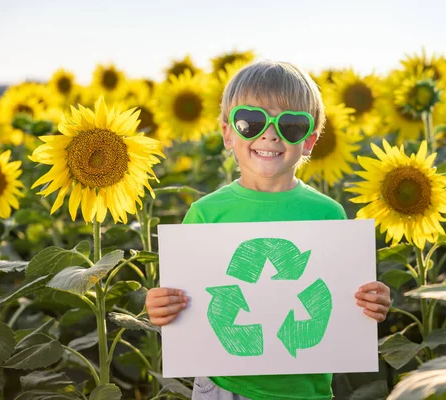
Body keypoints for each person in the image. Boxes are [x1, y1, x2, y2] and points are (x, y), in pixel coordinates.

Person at [146, 60, 391, 400]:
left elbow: (342, 298)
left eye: (291, 125)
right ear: (228, 133)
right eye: (252, 121)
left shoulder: (328, 215)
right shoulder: (206, 215)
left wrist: (372, 302)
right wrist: (160, 306)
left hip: (305, 390)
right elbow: (183, 299)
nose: (270, 134)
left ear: (309, 141)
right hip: (224, 386)